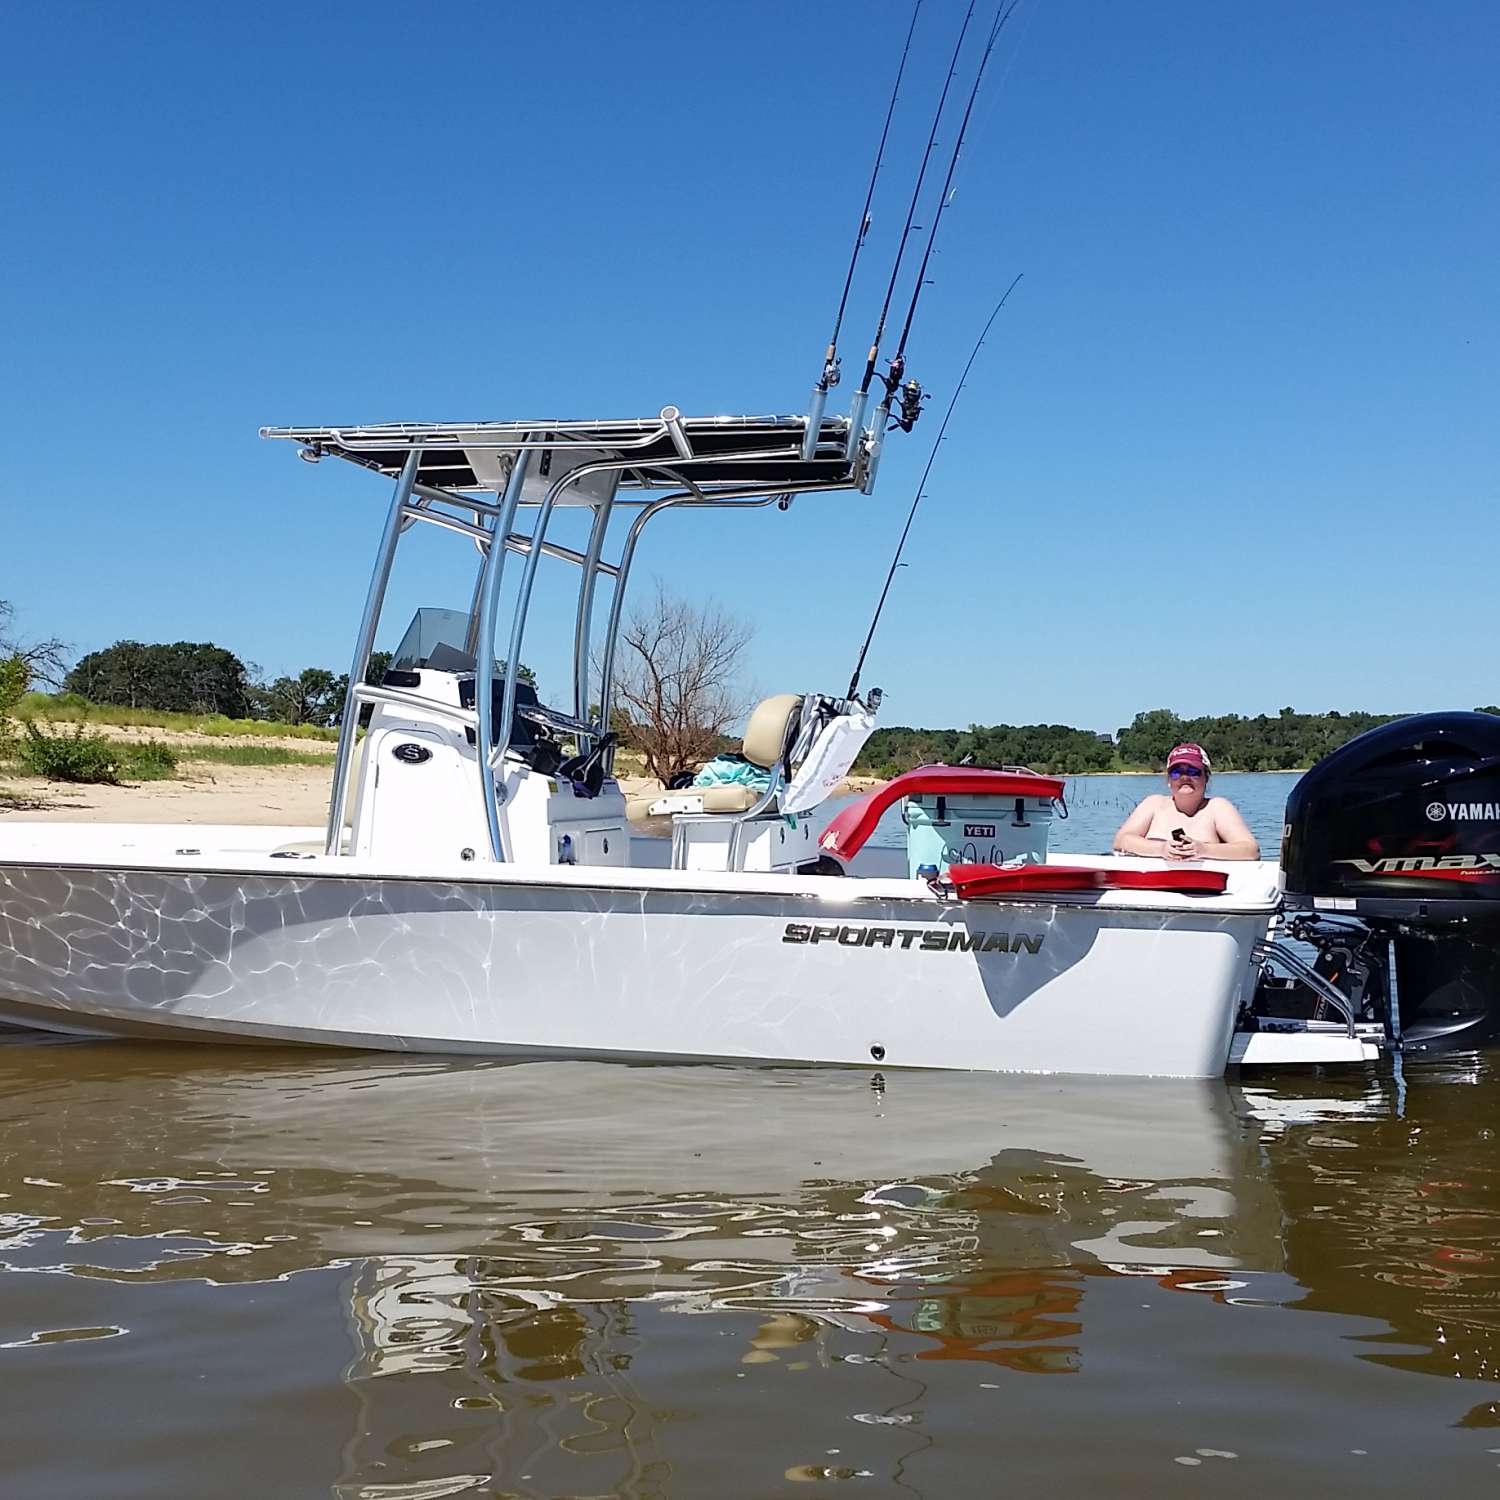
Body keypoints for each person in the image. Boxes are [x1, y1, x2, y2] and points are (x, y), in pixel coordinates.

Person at [1112, 742, 1260, 861]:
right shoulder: (1153, 804)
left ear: (1206, 778)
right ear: (1169, 780)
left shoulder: (1218, 807)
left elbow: (1251, 850)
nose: (1184, 778)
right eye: (1177, 773)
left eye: (1193, 772)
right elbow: (1121, 841)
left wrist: (1204, 850)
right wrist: (1161, 849)